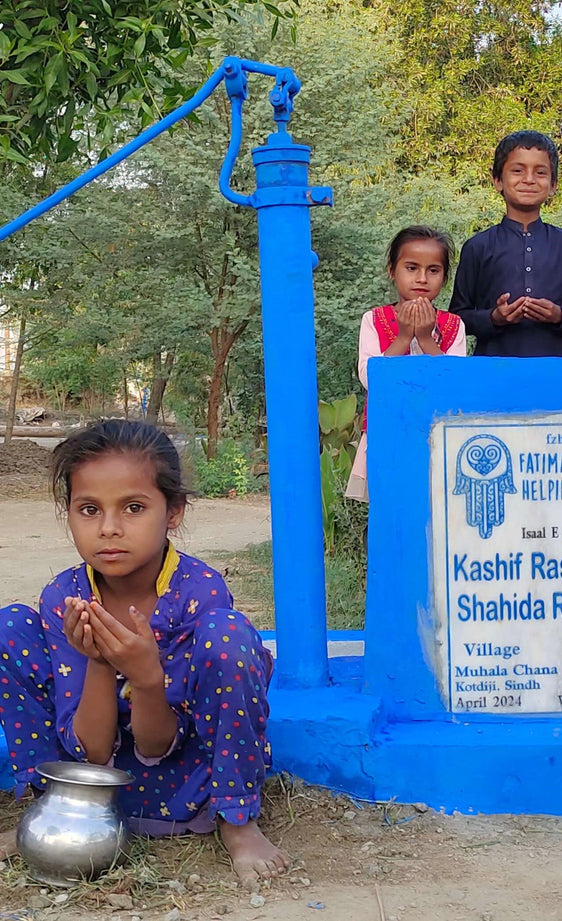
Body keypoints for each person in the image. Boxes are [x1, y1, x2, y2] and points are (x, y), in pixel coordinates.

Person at [0, 420, 288, 881]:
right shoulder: (65, 597)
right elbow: (90, 752)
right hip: (89, 789)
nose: (109, 529)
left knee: (229, 636)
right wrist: (98, 658)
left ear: (173, 511)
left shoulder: (198, 593)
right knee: (8, 627)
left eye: (133, 508)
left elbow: (158, 743)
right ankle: (48, 809)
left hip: (184, 781)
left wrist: (145, 677)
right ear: (67, 512)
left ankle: (238, 821)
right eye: (88, 509)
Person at [448, 130, 562, 357]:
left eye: (540, 172)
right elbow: (457, 319)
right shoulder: (478, 246)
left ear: (553, 184)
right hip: (494, 370)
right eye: (517, 171)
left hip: (560, 370)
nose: (529, 179)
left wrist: (559, 315)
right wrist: (493, 318)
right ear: (498, 180)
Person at [346, 226, 466, 501]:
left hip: (437, 434)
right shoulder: (373, 320)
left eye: (433, 270)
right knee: (389, 507)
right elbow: (371, 378)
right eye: (411, 268)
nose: (422, 278)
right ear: (392, 270)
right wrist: (402, 337)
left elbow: (455, 382)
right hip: (387, 431)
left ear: (444, 277)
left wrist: (425, 338)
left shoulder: (454, 325)